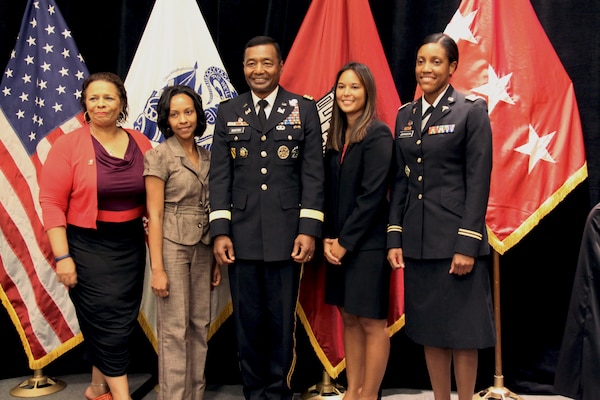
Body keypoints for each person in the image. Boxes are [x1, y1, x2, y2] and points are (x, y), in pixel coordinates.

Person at [209, 35, 324, 400]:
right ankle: (253, 392)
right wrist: (220, 231)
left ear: (280, 66)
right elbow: (220, 177)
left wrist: (308, 230)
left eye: (266, 62)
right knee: (248, 322)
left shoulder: (302, 109)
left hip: (286, 235)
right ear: (243, 68)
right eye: (251, 63)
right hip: (240, 237)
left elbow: (312, 175)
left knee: (279, 323)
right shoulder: (229, 111)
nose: (258, 70)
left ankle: (277, 392)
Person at [387, 33, 495, 400]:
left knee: (463, 333)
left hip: (455, 243)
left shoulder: (471, 110)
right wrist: (395, 237)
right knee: (430, 330)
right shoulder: (405, 115)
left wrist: (467, 244)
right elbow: (401, 182)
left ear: (452, 68)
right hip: (418, 242)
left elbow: (478, 181)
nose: (426, 68)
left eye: (435, 61)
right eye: (420, 61)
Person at [39, 72, 153, 400]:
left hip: (130, 244)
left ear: (122, 104)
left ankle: (97, 387)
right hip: (87, 245)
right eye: (93, 98)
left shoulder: (141, 142)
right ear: (85, 105)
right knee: (107, 319)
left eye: (108, 98)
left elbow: (155, 197)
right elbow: (51, 204)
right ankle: (121, 396)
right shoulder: (68, 145)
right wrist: (62, 257)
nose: (101, 104)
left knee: (118, 319)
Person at [144, 85, 221, 400]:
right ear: (166, 119)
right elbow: (155, 215)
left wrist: (215, 258)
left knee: (198, 326)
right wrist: (158, 268)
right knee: (174, 330)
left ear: (198, 114)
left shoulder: (208, 156)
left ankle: (195, 395)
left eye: (188, 111)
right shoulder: (159, 155)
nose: (183, 119)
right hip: (172, 246)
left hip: (203, 246)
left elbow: (213, 207)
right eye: (174, 114)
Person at [323, 62, 392, 400]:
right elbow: (330, 195)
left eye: (354, 87)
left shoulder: (378, 133)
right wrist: (328, 239)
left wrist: (345, 243)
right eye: (341, 87)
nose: (346, 93)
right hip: (337, 244)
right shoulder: (337, 139)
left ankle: (369, 394)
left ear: (367, 92)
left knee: (371, 322)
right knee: (349, 317)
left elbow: (373, 196)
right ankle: (352, 390)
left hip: (367, 246)